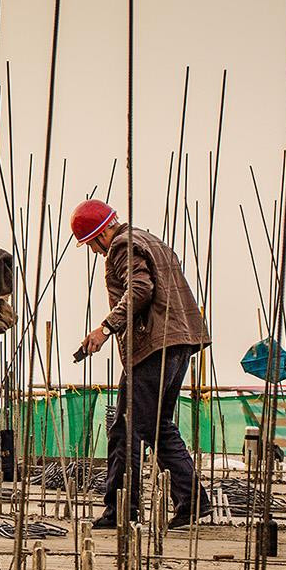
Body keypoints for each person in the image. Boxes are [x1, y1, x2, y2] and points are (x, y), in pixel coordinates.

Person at [71, 198, 212, 530]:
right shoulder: (151, 240)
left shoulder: (122, 244)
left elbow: (140, 288)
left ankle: (121, 509)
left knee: (125, 427)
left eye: (92, 243)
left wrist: (106, 328)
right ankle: (192, 501)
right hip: (180, 341)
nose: (95, 252)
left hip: (154, 346)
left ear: (102, 232)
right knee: (156, 425)